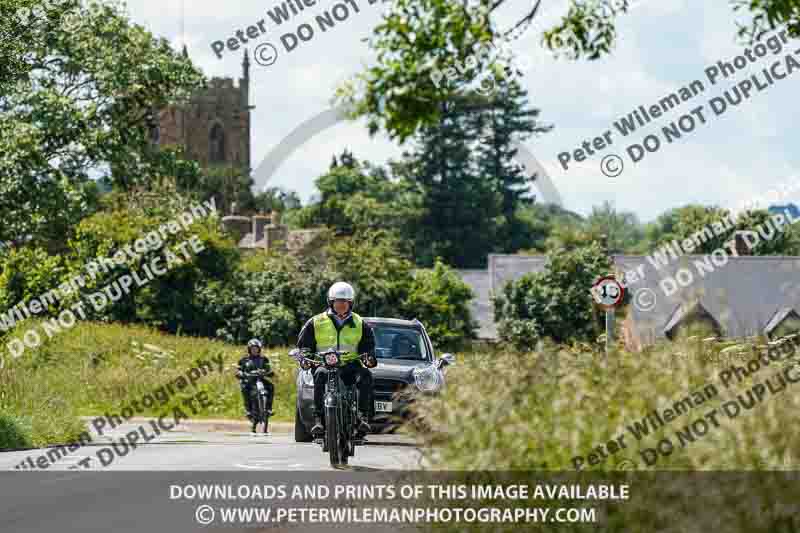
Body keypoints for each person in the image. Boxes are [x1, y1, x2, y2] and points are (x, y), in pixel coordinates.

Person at [296, 281, 377, 437]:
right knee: (319, 375)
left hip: (350, 365)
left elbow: (368, 346)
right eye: (338, 302)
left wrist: (369, 357)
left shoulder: (361, 323)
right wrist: (305, 358)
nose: (341, 305)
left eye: (345, 302)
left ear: (350, 303)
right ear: (331, 302)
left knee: (366, 375)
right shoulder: (315, 322)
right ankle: (318, 419)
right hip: (324, 364)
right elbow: (305, 346)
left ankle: (362, 417)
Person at [236, 339, 274, 420]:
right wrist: (240, 374)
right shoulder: (244, 360)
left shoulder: (264, 359)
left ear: (259, 349)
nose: (254, 350)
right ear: (249, 349)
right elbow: (239, 370)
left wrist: (269, 372)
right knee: (244, 388)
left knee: (271, 386)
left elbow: (268, 368)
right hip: (249, 380)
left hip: (260, 379)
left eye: (256, 348)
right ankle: (248, 410)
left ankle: (269, 408)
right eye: (252, 348)